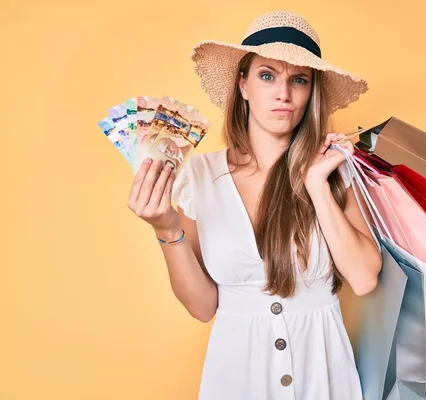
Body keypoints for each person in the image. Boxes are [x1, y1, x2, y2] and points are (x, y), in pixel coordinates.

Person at [127, 10, 382, 400]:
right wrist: (166, 229)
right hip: (236, 374)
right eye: (268, 76)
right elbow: (202, 307)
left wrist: (315, 184)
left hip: (323, 373)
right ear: (243, 85)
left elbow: (364, 279)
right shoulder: (199, 176)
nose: (284, 93)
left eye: (299, 80)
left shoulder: (335, 171)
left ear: (311, 92)